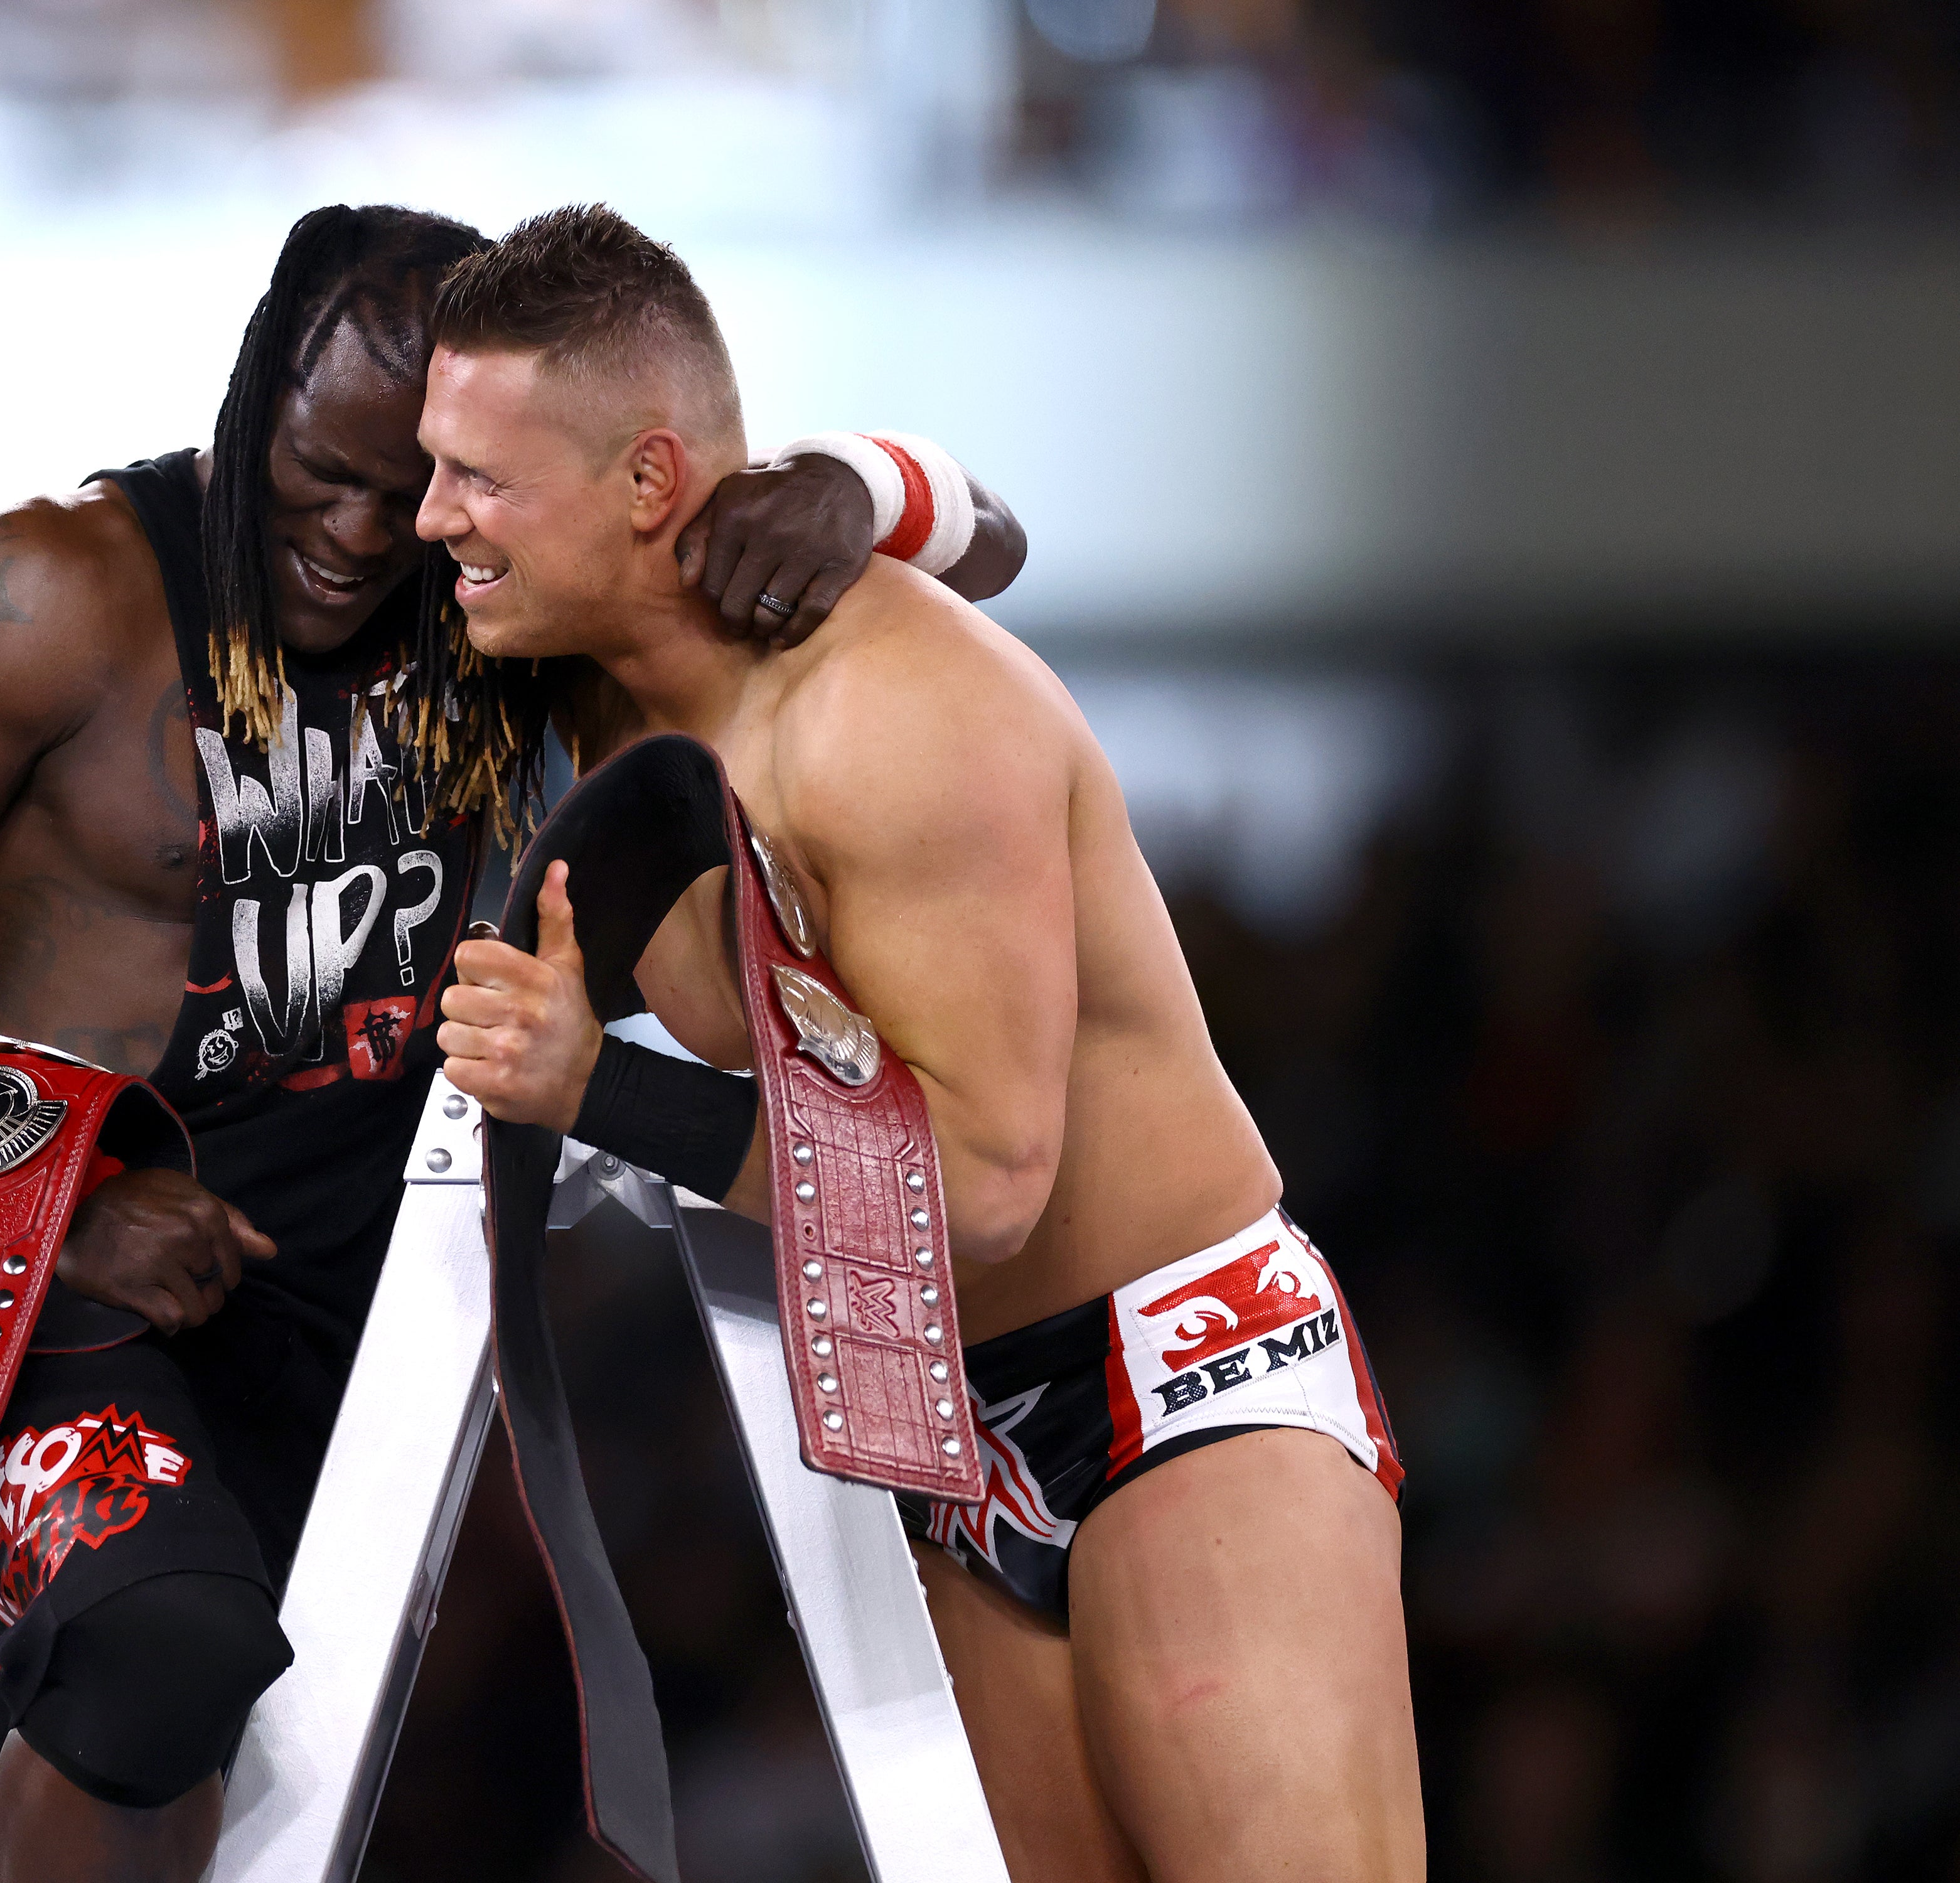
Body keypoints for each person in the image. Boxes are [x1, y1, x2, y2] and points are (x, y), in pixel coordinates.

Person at [0, 202, 1029, 1883]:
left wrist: (843, 480)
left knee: (182, 1739)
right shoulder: (47, 595)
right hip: (61, 1285)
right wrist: (61, 1201)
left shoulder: (486, 608)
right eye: (309, 474)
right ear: (254, 392)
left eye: (397, 491)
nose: (349, 533)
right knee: (151, 1657)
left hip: (348, 1299)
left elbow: (988, 543)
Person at [421, 204, 1422, 1883]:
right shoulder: (564, 679)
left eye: (481, 481)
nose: (436, 516)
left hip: (1176, 1373)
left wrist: (607, 1091)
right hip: (941, 1416)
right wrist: (887, 478)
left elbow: (981, 1194)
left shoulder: (893, 716)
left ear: (652, 484)